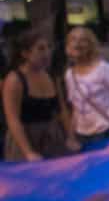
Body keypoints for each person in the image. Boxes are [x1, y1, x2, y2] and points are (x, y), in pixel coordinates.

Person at [2, 29, 78, 160]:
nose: (47, 53)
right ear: (25, 53)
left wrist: (71, 137)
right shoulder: (15, 80)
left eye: (49, 47)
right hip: (25, 139)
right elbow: (13, 120)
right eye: (41, 49)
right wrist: (28, 152)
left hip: (52, 136)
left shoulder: (52, 76)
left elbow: (62, 111)